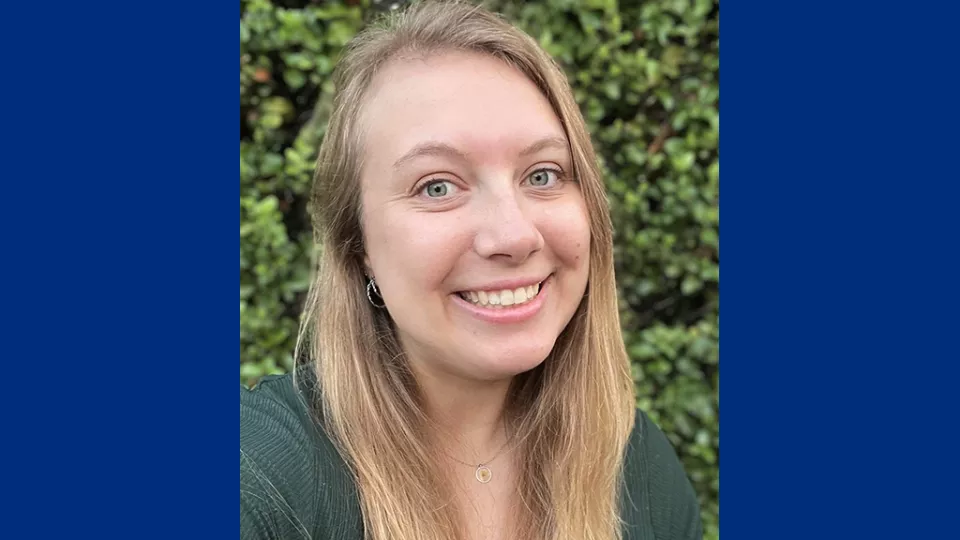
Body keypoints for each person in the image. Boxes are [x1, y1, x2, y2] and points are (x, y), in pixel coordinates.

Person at [240, 1, 702, 538]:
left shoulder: (638, 468)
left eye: (544, 174)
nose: (513, 235)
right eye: (436, 186)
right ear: (357, 243)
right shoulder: (262, 473)